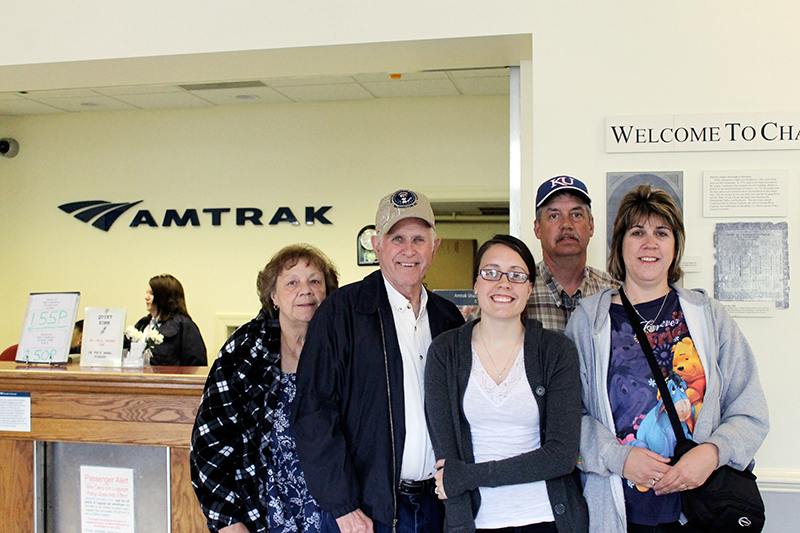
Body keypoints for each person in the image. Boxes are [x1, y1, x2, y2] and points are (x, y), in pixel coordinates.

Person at [564, 185, 769, 533]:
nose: (650, 243)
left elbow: (750, 411)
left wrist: (713, 453)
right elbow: (568, 416)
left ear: (675, 246)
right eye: (637, 232)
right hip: (619, 512)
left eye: (662, 232)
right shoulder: (588, 321)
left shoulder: (708, 316)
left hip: (699, 511)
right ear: (619, 245)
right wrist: (620, 458)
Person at [292, 189, 465, 533]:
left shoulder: (449, 319)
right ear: (376, 244)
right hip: (367, 514)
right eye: (396, 238)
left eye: (419, 238)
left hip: (436, 508)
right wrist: (344, 507)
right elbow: (314, 413)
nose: (409, 250)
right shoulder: (341, 312)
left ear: (435, 245)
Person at [425, 235, 588, 533]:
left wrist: (468, 476)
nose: (503, 283)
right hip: (478, 523)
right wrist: (459, 489)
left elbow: (561, 457)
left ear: (529, 288)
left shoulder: (555, 352)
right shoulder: (444, 353)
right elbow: (447, 463)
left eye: (516, 275)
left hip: (547, 518)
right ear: (475, 285)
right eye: (491, 272)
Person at [191, 244, 340, 533]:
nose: (305, 290)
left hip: (333, 509)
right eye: (292, 282)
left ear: (327, 290)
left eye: (314, 280)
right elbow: (210, 439)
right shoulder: (246, 349)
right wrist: (227, 520)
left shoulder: (341, 346)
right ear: (273, 295)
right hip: (262, 507)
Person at [527, 176, 619, 332]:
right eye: (554, 216)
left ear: (591, 225)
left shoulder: (613, 292)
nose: (566, 225)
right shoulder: (519, 292)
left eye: (576, 215)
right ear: (537, 229)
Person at [131, 273, 207, 366]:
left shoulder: (184, 326)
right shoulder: (143, 324)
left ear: (165, 297)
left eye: (152, 294)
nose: (146, 297)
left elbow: (196, 365)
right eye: (147, 293)